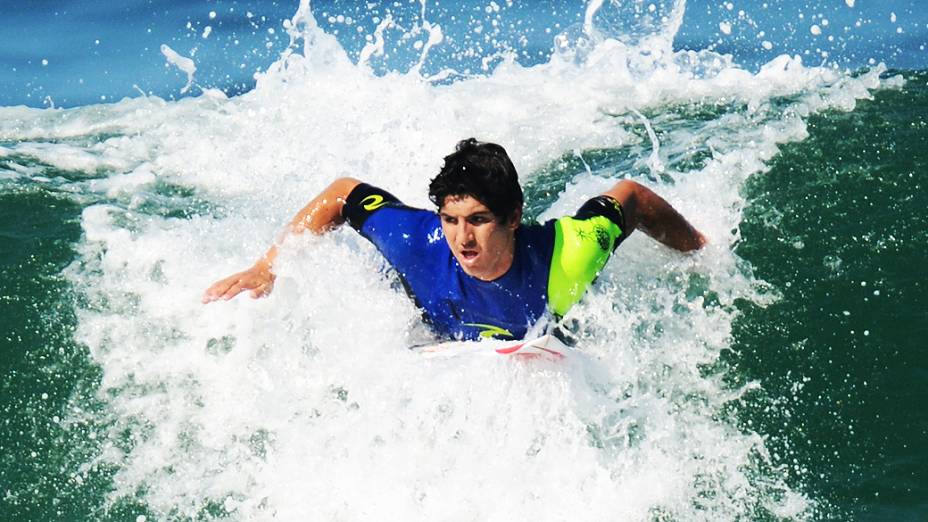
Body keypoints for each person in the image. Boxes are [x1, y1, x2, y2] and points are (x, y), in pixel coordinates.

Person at [203, 139, 706, 341]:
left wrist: (700, 249)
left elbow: (633, 199)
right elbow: (342, 194)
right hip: (426, 314)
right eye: (451, 218)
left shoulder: (570, 252)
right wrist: (270, 265)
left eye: (479, 220)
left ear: (513, 217)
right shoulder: (418, 242)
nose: (462, 238)